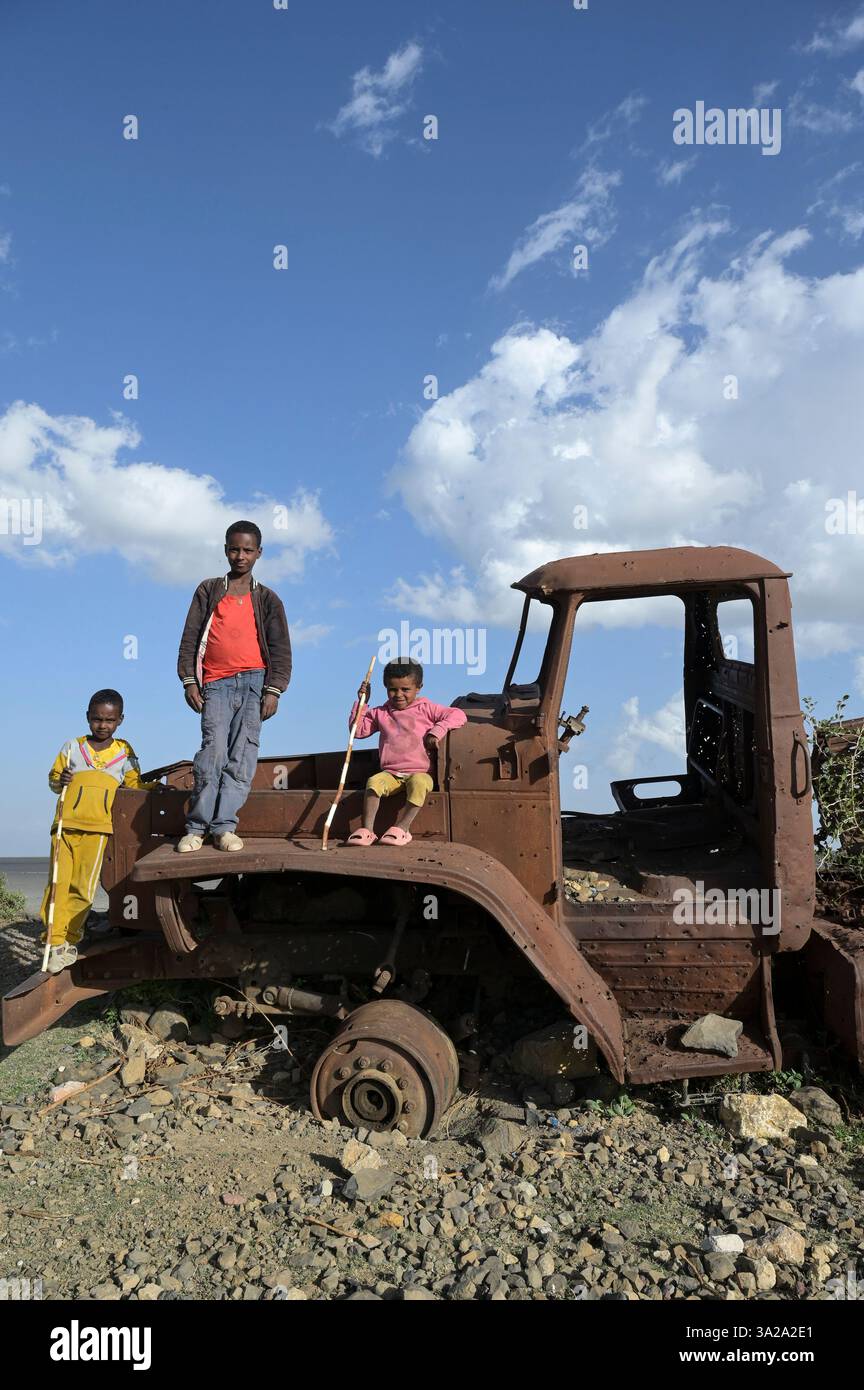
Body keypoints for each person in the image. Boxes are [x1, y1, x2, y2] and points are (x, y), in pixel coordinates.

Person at [176, 520, 291, 853]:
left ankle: (224, 827)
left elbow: (281, 649)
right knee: (212, 754)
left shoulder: (268, 599)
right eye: (234, 549)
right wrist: (189, 681)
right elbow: (189, 638)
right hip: (215, 683)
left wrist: (274, 690)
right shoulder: (209, 590)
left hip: (255, 684)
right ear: (225, 549)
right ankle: (196, 828)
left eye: (247, 550)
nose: (240, 556)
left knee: (242, 758)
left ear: (259, 553)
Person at [41, 690, 162, 974]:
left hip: (98, 831)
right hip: (64, 828)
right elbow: (53, 781)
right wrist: (61, 779)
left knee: (83, 891)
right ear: (87, 717)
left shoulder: (124, 752)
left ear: (120, 720)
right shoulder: (72, 747)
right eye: (97, 719)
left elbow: (133, 785)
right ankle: (54, 943)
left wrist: (155, 788)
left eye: (109, 720)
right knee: (57, 886)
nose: (102, 725)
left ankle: (70, 938)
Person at [346, 657, 467, 846]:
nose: (398, 694)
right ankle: (367, 830)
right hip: (391, 774)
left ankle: (403, 828)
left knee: (419, 783)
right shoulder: (381, 713)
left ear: (418, 687)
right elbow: (358, 731)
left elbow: (458, 714)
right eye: (392, 689)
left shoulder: (427, 709)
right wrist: (362, 703)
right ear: (386, 688)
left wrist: (437, 731)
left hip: (420, 772)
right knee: (373, 783)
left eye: (405, 689)